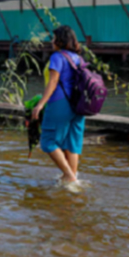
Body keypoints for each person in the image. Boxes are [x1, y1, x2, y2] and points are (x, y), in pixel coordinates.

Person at [31, 25, 85, 187]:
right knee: (72, 143)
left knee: (47, 141)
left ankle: (69, 176)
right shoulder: (79, 58)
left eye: (54, 38)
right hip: (78, 105)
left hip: (60, 103)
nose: (51, 41)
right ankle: (72, 180)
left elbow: (53, 82)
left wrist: (40, 105)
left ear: (61, 40)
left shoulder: (57, 57)